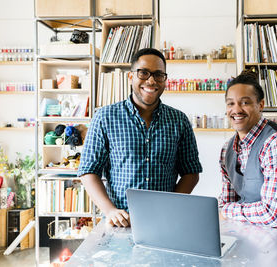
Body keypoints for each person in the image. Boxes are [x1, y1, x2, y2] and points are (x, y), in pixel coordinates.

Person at [78, 48, 202, 227]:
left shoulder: (179, 120)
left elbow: (191, 172)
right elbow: (88, 171)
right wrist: (110, 210)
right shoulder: (105, 117)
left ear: (165, 80)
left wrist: (172, 206)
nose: (151, 81)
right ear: (131, 77)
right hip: (120, 222)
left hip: (165, 221)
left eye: (158, 75)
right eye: (143, 73)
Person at [218, 71, 277, 227]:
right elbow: (227, 200)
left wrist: (226, 211)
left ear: (260, 105)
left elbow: (273, 215)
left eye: (245, 102)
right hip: (250, 238)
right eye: (230, 103)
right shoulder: (227, 148)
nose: (236, 110)